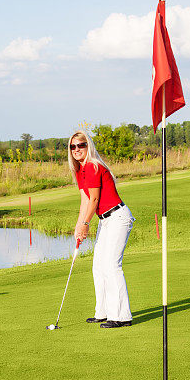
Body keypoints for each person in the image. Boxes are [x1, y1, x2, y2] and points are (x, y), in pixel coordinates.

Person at [68, 129, 135, 328]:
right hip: (106, 220)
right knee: (98, 266)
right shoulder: (80, 170)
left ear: (88, 146)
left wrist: (86, 224)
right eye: (73, 146)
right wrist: (79, 225)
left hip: (118, 216)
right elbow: (85, 201)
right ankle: (103, 312)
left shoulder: (93, 166)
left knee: (111, 265)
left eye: (81, 145)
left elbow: (95, 200)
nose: (77, 149)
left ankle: (121, 317)